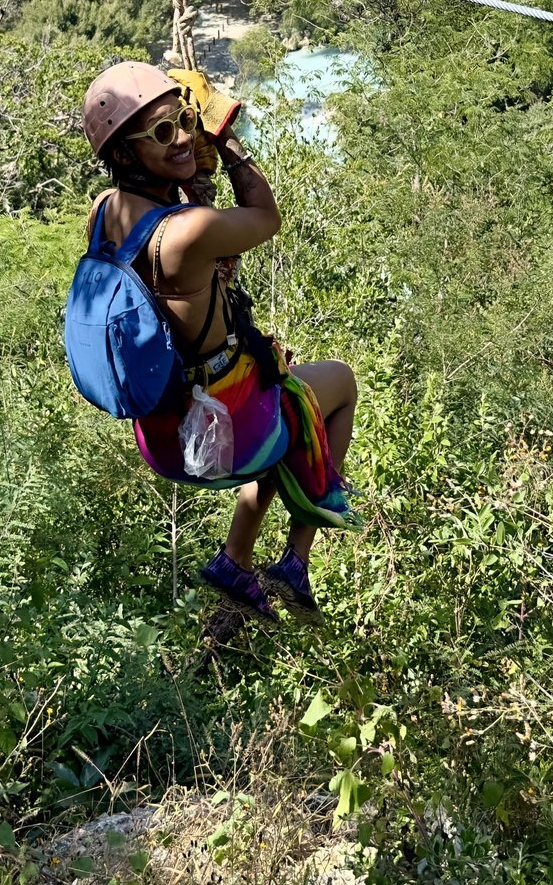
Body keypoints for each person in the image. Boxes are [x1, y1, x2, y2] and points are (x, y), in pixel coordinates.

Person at [80, 61, 358, 623]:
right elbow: (265, 217)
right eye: (162, 133)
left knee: (282, 389)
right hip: (229, 434)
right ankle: (296, 562)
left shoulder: (103, 211)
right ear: (125, 154)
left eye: (186, 120)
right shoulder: (189, 232)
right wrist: (225, 139)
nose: (184, 136)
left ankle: (236, 560)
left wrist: (183, 178)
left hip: (162, 433)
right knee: (337, 386)